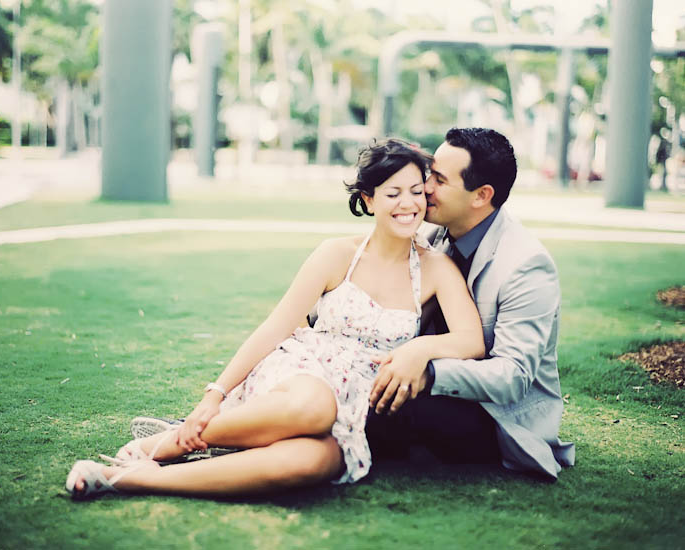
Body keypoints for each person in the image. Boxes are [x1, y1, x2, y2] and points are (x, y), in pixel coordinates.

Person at [66, 138, 486, 499]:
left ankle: (132, 480)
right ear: (369, 199)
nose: (408, 204)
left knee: (311, 462)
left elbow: (472, 339)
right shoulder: (336, 253)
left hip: (354, 403)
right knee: (314, 406)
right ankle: (174, 440)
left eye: (416, 192)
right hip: (303, 373)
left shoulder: (435, 268)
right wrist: (213, 395)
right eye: (393, 193)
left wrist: (420, 347)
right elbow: (276, 325)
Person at [366, 127, 575, 479]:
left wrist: (428, 370)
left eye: (440, 180)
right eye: (429, 172)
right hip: (434, 390)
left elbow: (513, 378)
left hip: (496, 418)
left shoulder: (526, 265)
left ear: (481, 196)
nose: (425, 187)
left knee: (383, 405)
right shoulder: (432, 233)